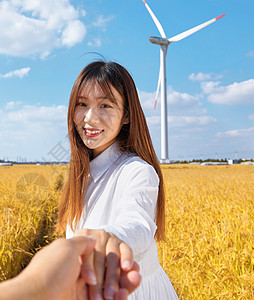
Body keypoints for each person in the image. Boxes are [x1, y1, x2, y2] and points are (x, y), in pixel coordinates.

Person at [57, 60, 179, 299]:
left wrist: (114, 238)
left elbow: (138, 222)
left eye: (105, 105)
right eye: (82, 104)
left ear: (126, 116)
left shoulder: (137, 171)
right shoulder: (83, 174)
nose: (89, 118)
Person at [0, 236, 141, 300]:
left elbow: (138, 218)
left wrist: (111, 235)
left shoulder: (138, 169)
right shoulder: (80, 175)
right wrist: (39, 288)